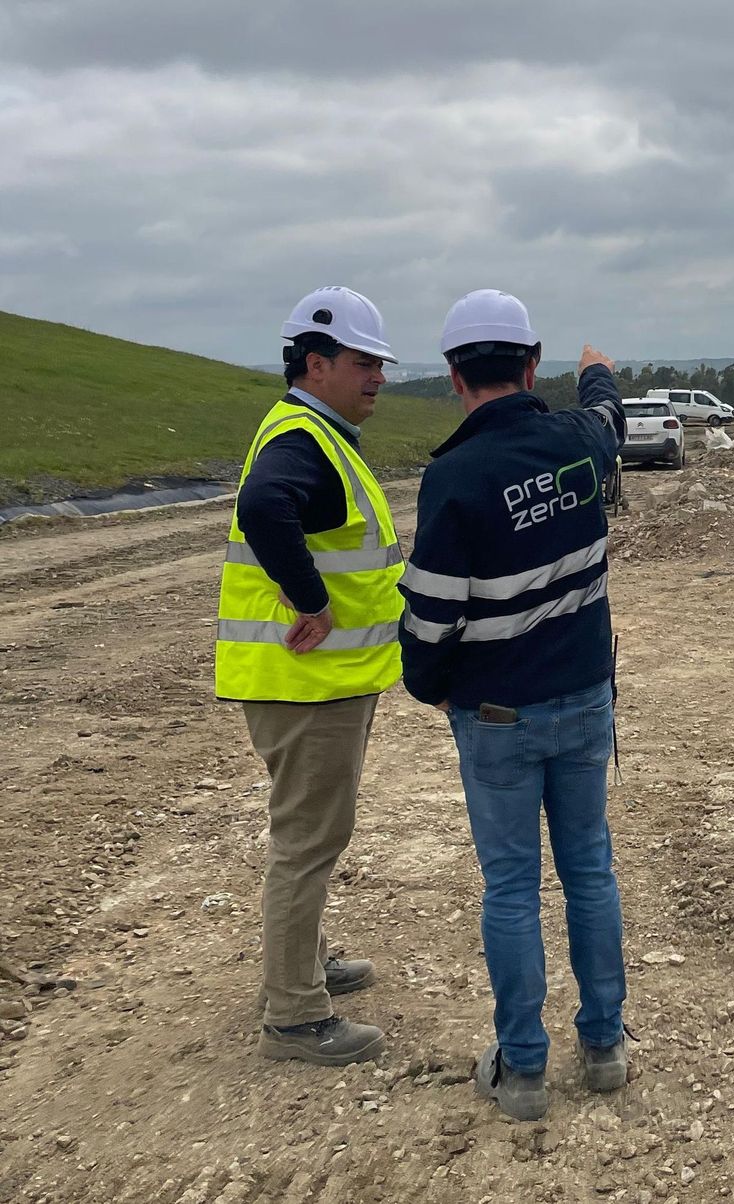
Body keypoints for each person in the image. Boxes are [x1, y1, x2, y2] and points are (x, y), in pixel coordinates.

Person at [399, 289, 628, 1122]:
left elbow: (432, 616)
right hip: (583, 703)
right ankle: (605, 1048)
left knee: (511, 887)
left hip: (496, 717)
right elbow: (608, 420)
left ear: (456, 377)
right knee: (590, 869)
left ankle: (523, 1072)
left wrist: (427, 685)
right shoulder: (579, 443)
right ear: (532, 367)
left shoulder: (455, 477)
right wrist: (598, 376)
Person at [215, 286, 404, 1066]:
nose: (378, 378)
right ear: (316, 365)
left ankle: (301, 963)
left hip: (313, 681)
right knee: (309, 838)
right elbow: (264, 507)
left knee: (307, 832)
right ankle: (294, 1016)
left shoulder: (314, 433)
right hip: (305, 682)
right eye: (364, 363)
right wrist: (313, 599)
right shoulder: (302, 439)